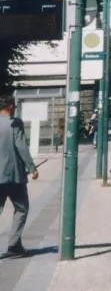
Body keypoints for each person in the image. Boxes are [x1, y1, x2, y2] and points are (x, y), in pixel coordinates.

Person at [0, 95, 38, 258]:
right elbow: (21, 146)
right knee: (21, 208)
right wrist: (32, 167)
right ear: (10, 106)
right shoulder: (14, 123)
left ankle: (16, 245)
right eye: (14, 105)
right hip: (13, 175)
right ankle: (14, 245)